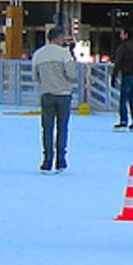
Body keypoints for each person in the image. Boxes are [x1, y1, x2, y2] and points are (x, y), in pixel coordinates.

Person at [31, 27, 81, 172]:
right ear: (59, 39)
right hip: (64, 94)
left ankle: (47, 160)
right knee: (62, 128)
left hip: (47, 94)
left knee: (47, 129)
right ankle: (61, 160)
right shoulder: (64, 54)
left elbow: (35, 77)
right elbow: (71, 74)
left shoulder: (38, 54)